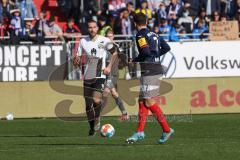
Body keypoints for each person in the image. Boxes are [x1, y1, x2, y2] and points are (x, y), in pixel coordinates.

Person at [126, 13, 174, 144]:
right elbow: (166, 47)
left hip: (150, 69)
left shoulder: (140, 35)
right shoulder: (154, 34)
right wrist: (154, 54)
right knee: (142, 101)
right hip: (153, 67)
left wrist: (134, 60)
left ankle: (166, 129)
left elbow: (145, 52)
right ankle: (140, 131)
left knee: (148, 101)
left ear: (134, 23)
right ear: (146, 21)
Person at [74, 19, 116, 136]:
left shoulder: (104, 40)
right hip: (88, 75)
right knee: (88, 105)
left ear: (97, 28)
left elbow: (115, 53)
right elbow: (77, 56)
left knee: (96, 100)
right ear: (87, 29)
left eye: (94, 27)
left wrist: (109, 66)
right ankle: (92, 127)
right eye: (90, 27)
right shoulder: (83, 41)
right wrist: (76, 61)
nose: (92, 29)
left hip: (100, 75)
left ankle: (97, 117)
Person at [102, 29, 129, 121]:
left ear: (113, 37)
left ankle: (96, 115)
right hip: (104, 73)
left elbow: (123, 59)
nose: (109, 38)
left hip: (112, 74)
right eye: (107, 36)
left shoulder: (116, 47)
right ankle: (125, 113)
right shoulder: (103, 46)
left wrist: (127, 70)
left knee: (106, 91)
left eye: (111, 36)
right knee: (114, 93)